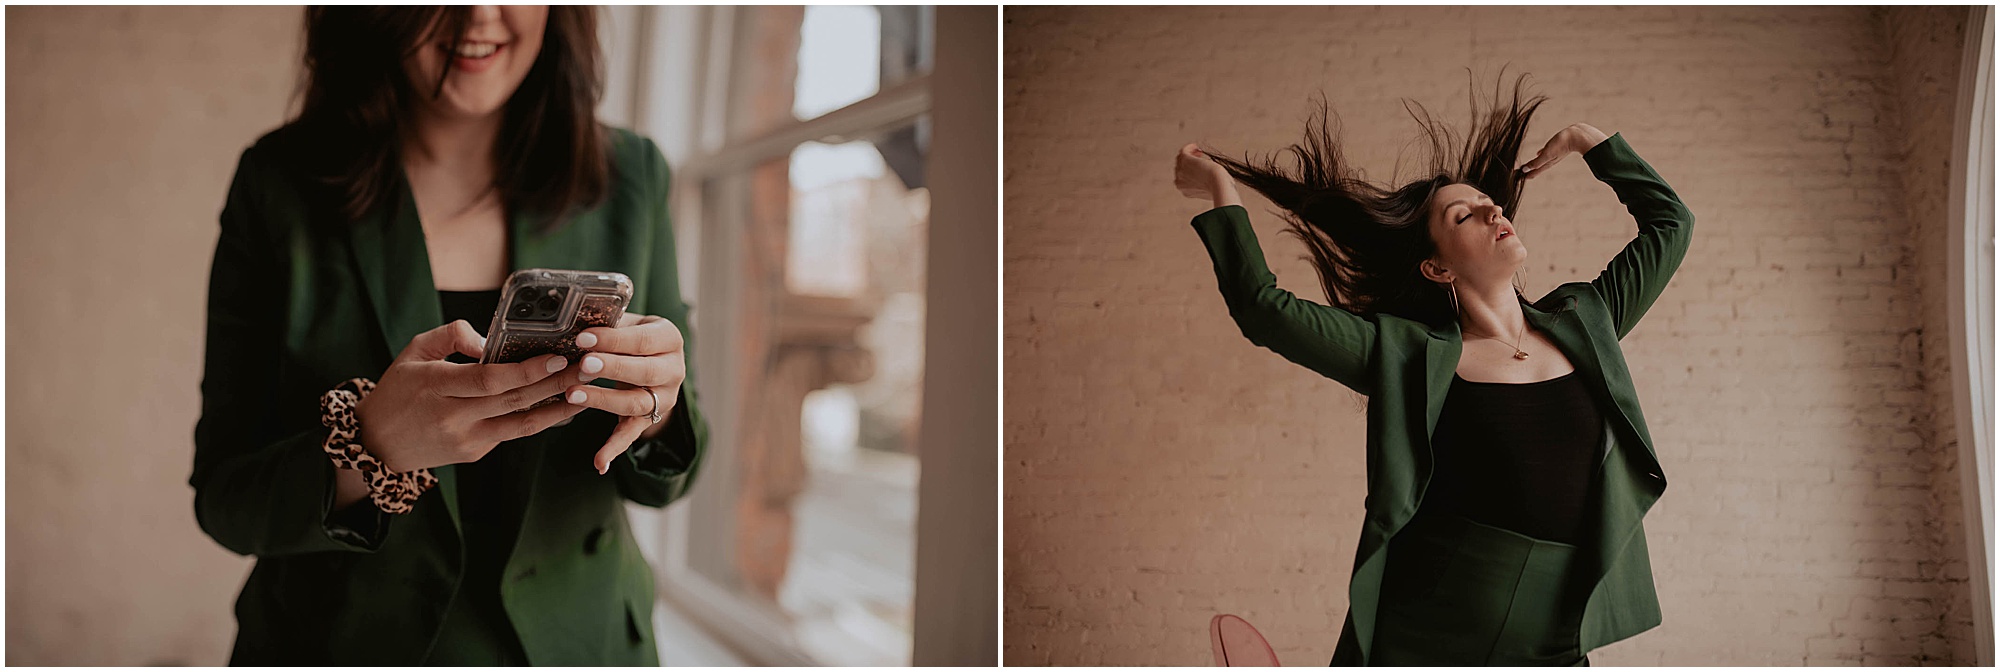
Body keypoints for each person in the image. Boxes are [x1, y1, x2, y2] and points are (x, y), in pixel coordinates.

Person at [188, 6, 706, 665]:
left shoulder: (631, 174)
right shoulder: (279, 184)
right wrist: (369, 446)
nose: (478, 14)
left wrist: (658, 408)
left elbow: (671, 480)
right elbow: (225, 497)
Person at [1171, 72, 1692, 666]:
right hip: (1437, 627)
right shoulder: (1404, 352)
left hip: (1557, 632)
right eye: (1464, 216)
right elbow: (1265, 310)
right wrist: (1220, 190)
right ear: (1437, 269)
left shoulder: (1586, 323)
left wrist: (1588, 141)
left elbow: (1672, 224)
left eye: (1490, 203)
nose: (1493, 210)